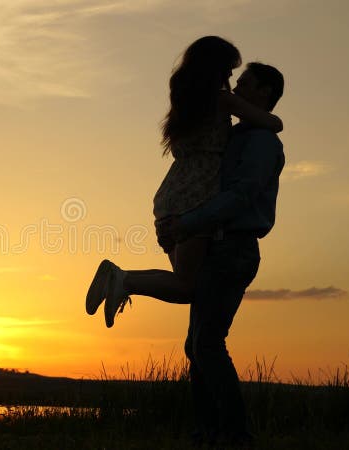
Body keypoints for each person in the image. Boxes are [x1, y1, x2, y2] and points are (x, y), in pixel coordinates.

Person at [85, 36, 282, 328]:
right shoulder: (222, 99)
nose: (231, 78)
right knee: (187, 287)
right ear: (215, 68)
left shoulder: (187, 102)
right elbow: (274, 123)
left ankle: (121, 280)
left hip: (173, 193)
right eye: (229, 70)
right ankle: (122, 279)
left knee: (183, 282)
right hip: (195, 196)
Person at [166, 61, 285, 446]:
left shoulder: (263, 142)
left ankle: (234, 435)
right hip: (215, 244)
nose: (236, 87)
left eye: (245, 82)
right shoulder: (236, 135)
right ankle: (209, 432)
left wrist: (191, 221)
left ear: (264, 92)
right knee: (197, 344)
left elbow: (241, 194)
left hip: (233, 248)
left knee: (207, 343)